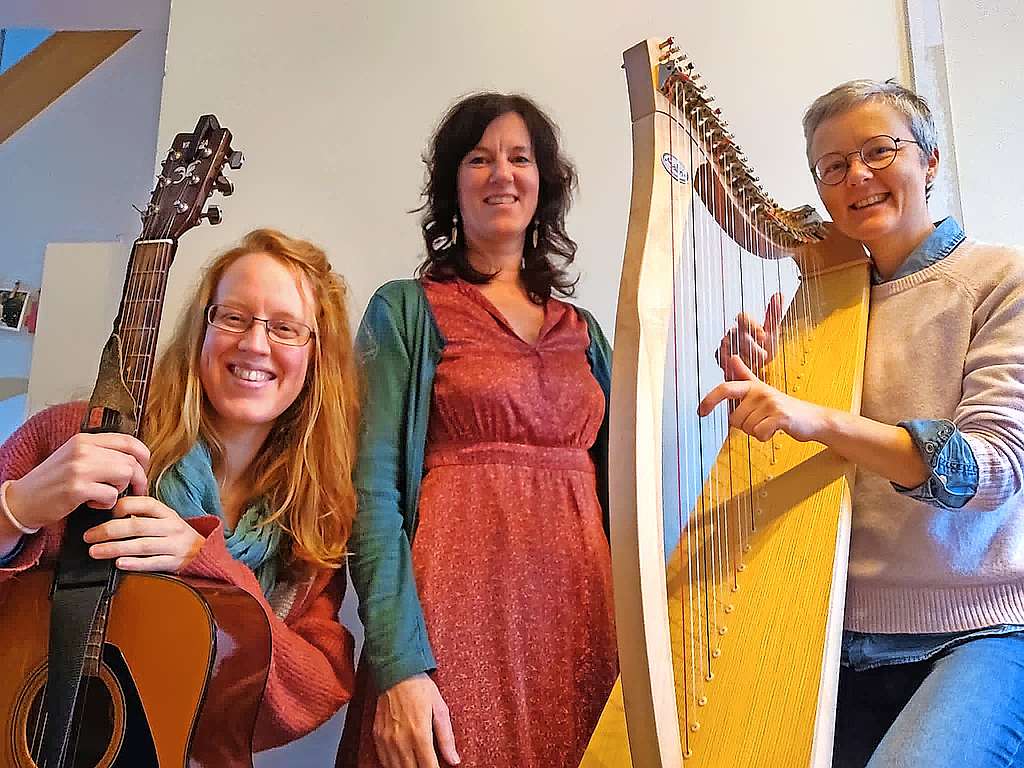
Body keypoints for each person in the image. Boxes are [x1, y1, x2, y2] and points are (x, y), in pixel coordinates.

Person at [699, 80, 1024, 767]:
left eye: (880, 151)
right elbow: (813, 475)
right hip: (836, 636)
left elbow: (989, 469)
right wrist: (763, 396)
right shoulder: (824, 308)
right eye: (834, 166)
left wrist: (814, 417)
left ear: (930, 161)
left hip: (980, 630)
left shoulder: (1001, 279)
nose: (859, 177)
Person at [0, 228, 360, 752]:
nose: (254, 343)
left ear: (316, 358)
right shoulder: (80, 436)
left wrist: (205, 561)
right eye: (233, 317)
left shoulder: (309, 520)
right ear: (203, 330)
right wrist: (16, 510)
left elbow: (312, 691)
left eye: (285, 328)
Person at [338, 93, 617, 768]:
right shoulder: (404, 311)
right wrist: (400, 665)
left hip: (582, 624)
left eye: (520, 158)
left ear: (543, 182)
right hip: (450, 619)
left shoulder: (586, 332)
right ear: (450, 185)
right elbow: (370, 497)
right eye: (479, 158)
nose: (502, 174)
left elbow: (628, 493)